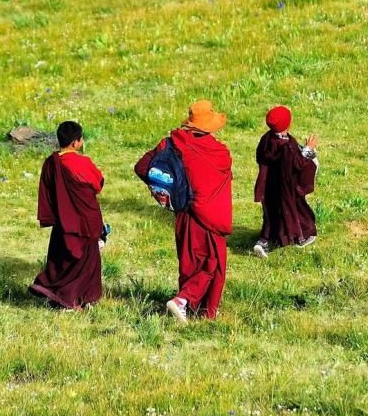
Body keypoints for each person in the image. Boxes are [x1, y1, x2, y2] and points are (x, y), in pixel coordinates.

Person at [134, 100, 233, 322]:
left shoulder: (171, 143)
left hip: (183, 213)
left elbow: (142, 167)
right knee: (213, 263)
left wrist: (166, 192)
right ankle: (187, 302)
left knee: (189, 261)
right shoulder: (219, 152)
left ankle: (191, 307)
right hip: (210, 217)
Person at [29, 121, 107, 309]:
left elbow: (47, 191)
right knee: (86, 261)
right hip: (85, 220)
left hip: (63, 220)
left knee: (61, 258)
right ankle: (72, 297)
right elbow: (98, 184)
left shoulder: (51, 163)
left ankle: (53, 289)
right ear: (76, 142)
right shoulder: (82, 162)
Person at [252, 106, 319, 258]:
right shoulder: (286, 146)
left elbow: (260, 156)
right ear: (287, 124)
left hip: (269, 185)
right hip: (286, 189)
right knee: (293, 213)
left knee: (270, 215)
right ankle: (299, 238)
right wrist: (309, 149)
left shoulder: (267, 139)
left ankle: (263, 242)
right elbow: (296, 164)